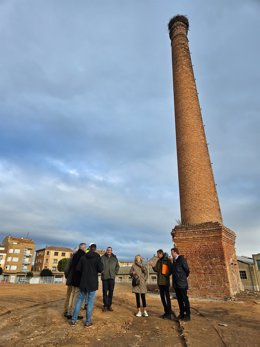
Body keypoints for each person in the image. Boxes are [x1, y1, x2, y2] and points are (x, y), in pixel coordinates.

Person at [70, 243, 103, 327]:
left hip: (83, 282)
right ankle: (88, 321)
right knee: (90, 302)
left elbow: (78, 269)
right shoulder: (97, 257)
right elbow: (101, 269)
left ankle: (73, 319)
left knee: (80, 300)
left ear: (89, 248)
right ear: (95, 249)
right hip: (92, 282)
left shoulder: (83, 257)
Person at [66, 243, 87, 319]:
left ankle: (69, 312)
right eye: (85, 247)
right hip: (78, 280)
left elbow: (70, 267)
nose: (86, 249)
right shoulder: (83, 256)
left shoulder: (74, 255)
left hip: (72, 279)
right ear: (83, 248)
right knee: (77, 298)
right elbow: (82, 269)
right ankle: (75, 314)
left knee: (72, 296)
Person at [171, 247, 190, 321]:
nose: (171, 254)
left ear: (175, 252)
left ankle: (188, 315)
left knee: (185, 299)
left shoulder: (181, 259)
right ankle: (182, 314)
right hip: (176, 284)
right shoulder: (174, 261)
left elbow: (187, 270)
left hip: (182, 284)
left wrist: (183, 278)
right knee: (179, 300)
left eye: (172, 253)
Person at [152, 249, 172, 320]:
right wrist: (153, 266)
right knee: (162, 298)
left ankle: (169, 314)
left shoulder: (167, 261)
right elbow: (156, 269)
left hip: (165, 282)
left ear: (161, 254)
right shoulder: (159, 261)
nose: (157, 256)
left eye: (158, 254)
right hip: (160, 282)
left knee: (167, 298)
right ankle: (166, 312)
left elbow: (171, 270)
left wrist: (165, 274)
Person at [101, 246, 120, 312]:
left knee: (111, 292)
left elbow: (117, 266)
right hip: (105, 277)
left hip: (112, 277)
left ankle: (109, 305)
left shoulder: (114, 258)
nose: (109, 251)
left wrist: (115, 273)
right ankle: (105, 305)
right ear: (106, 251)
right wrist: (102, 272)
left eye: (110, 250)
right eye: (108, 250)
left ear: (111, 251)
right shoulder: (102, 258)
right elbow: (100, 266)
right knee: (105, 292)